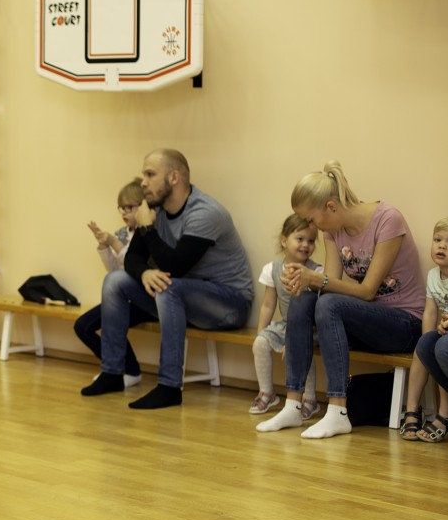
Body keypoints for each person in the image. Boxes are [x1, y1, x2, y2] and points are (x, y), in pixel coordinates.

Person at [257, 161, 425, 438]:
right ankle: (293, 405)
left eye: (311, 219)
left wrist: (315, 278)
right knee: (304, 299)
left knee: (327, 302)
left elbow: (367, 290)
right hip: (367, 320)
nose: (310, 227)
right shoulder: (331, 230)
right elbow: (330, 286)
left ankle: (337, 411)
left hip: (405, 324)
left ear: (332, 207)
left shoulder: (388, 220)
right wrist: (305, 284)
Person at [81, 149, 253, 409]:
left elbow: (176, 267)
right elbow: (132, 258)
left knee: (167, 286)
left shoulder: (205, 212)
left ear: (174, 177)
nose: (143, 183)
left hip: (229, 304)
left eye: (150, 174)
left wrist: (146, 228)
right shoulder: (156, 211)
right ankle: (113, 372)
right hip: (183, 297)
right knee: (116, 281)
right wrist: (144, 272)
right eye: (143, 175)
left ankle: (169, 387)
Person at [73, 177, 149, 391]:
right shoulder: (122, 233)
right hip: (122, 297)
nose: (125, 212)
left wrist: (114, 243)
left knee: (112, 320)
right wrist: (104, 247)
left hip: (142, 299)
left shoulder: (148, 233)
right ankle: (117, 368)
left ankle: (129, 371)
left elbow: (135, 266)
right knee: (82, 326)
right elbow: (115, 272)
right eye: (122, 208)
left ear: (143, 207)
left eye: (130, 207)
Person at [249, 215, 322, 416]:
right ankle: (267, 392)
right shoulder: (272, 269)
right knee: (260, 343)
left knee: (302, 348)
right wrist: (261, 332)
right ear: (284, 241)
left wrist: (294, 340)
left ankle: (309, 399)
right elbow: (268, 304)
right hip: (286, 325)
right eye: (300, 239)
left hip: (310, 328)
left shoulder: (316, 272)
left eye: (311, 241)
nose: (306, 245)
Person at [399, 216, 448, 444]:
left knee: (441, 347)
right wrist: (426, 344)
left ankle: (446, 411)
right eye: (438, 240)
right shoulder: (433, 275)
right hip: (446, 333)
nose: (442, 246)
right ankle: (412, 410)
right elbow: (430, 312)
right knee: (425, 346)